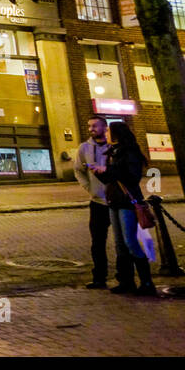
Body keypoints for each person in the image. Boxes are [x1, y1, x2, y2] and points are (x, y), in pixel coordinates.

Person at [92, 121, 156, 296]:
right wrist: (100, 172)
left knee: (130, 242)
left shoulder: (130, 152)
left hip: (127, 201)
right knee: (120, 244)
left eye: (109, 131)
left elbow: (132, 177)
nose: (106, 134)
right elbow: (112, 179)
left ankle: (146, 282)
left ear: (117, 134)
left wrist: (108, 169)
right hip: (113, 200)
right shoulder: (112, 152)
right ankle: (126, 281)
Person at [73, 116, 111, 288]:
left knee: (124, 241)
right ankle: (99, 278)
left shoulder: (115, 146)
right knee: (97, 243)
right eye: (89, 126)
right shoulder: (85, 148)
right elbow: (78, 171)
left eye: (95, 126)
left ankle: (126, 277)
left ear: (105, 127)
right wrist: (89, 188)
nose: (91, 129)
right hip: (97, 202)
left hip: (116, 201)